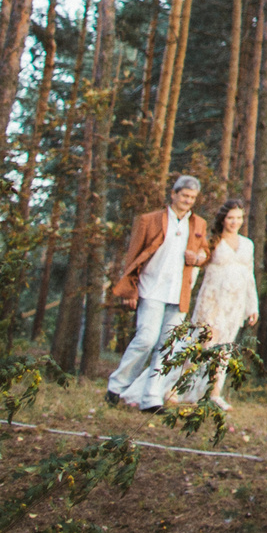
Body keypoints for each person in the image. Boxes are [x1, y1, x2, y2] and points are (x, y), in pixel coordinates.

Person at [105, 173, 210, 412]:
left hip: (179, 294)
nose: (188, 201)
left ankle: (151, 398)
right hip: (150, 289)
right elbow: (133, 257)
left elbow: (204, 252)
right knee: (145, 339)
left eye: (192, 197)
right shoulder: (149, 220)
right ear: (173, 194)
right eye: (184, 195)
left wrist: (198, 258)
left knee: (169, 346)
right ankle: (116, 385)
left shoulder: (198, 224)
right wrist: (130, 290)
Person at [184, 199, 258, 410]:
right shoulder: (213, 241)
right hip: (212, 300)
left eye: (238, 218)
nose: (235, 222)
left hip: (234, 302)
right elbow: (198, 267)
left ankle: (213, 393)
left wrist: (252, 306)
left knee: (223, 350)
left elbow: (249, 276)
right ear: (223, 219)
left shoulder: (247, 244)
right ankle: (180, 388)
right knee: (203, 344)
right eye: (230, 218)